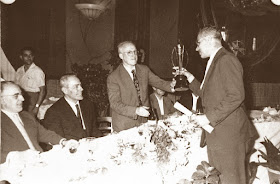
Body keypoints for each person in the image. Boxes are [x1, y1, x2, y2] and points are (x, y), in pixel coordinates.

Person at [180, 27, 258, 184]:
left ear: (209, 41)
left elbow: (236, 96)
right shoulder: (215, 60)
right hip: (219, 133)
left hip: (228, 135)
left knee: (231, 180)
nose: (196, 48)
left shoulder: (226, 60)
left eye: (198, 43)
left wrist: (208, 117)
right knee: (220, 179)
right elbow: (207, 94)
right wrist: (189, 77)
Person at [0, 81, 76, 164]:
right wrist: (16, 156)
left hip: (39, 162)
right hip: (15, 169)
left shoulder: (26, 116)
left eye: (21, 94)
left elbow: (44, 134)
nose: (22, 98)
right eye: (16, 96)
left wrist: (64, 142)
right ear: (2, 99)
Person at [107, 41, 175, 132]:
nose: (133, 55)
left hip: (144, 123)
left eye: (135, 52)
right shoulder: (114, 77)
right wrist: (136, 111)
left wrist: (172, 85)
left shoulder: (144, 70)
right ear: (121, 56)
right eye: (129, 52)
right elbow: (115, 104)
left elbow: (159, 83)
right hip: (124, 126)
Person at [42, 74, 103, 140]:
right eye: (76, 87)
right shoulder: (54, 112)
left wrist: (105, 140)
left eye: (80, 85)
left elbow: (94, 130)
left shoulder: (88, 105)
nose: (81, 89)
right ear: (65, 90)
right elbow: (57, 141)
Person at [15, 47, 46, 116]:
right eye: (26, 55)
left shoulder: (37, 71)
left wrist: (36, 107)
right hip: (21, 96)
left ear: (33, 56)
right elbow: (17, 86)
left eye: (31, 55)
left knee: (29, 119)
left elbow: (43, 91)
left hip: (33, 98)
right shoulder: (19, 70)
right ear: (21, 57)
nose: (29, 57)